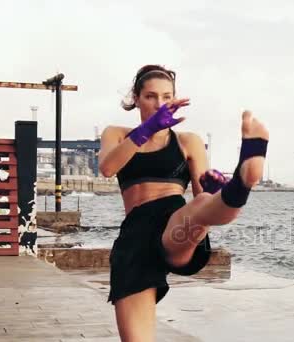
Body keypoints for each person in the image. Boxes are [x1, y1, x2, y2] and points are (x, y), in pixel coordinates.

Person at [98, 64, 269, 341]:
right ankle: (238, 188)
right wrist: (147, 129)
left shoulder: (189, 141)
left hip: (176, 224)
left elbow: (203, 195)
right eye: (151, 96)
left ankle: (241, 184)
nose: (159, 103)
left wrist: (215, 190)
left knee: (201, 206)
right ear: (136, 98)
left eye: (167, 97)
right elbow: (107, 167)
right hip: (136, 238)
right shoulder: (116, 134)